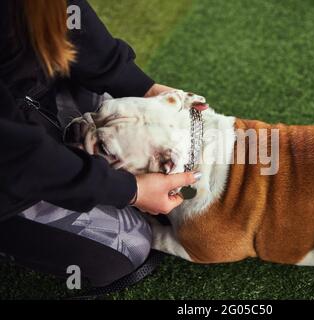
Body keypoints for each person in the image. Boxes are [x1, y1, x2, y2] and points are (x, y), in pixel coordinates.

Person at [0, 0, 201, 287]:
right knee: (128, 246)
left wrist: (142, 88)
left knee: (111, 107)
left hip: (29, 97)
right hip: (10, 166)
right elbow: (18, 156)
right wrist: (131, 190)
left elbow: (66, 12)